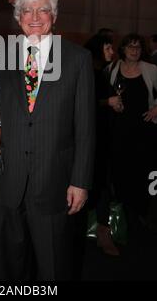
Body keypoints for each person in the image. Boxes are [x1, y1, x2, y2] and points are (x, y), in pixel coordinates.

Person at [0, 0, 95, 281]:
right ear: (17, 15)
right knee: (8, 268)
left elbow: (86, 128)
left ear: (55, 15)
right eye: (27, 10)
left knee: (53, 268)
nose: (35, 16)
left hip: (54, 184)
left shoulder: (77, 59)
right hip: (7, 184)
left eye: (43, 10)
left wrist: (81, 181)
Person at [107, 33, 157, 227]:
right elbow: (104, 95)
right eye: (131, 47)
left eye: (138, 47)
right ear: (123, 49)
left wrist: (156, 107)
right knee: (120, 171)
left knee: (142, 171)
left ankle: (141, 212)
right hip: (119, 129)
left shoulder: (151, 69)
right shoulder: (112, 69)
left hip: (144, 130)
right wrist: (112, 104)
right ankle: (122, 211)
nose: (135, 51)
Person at [84, 34, 119, 256]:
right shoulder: (89, 71)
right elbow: (84, 103)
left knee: (103, 185)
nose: (112, 51)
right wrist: (108, 101)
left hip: (102, 137)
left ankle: (103, 233)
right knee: (92, 183)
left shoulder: (103, 72)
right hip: (89, 138)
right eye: (108, 47)